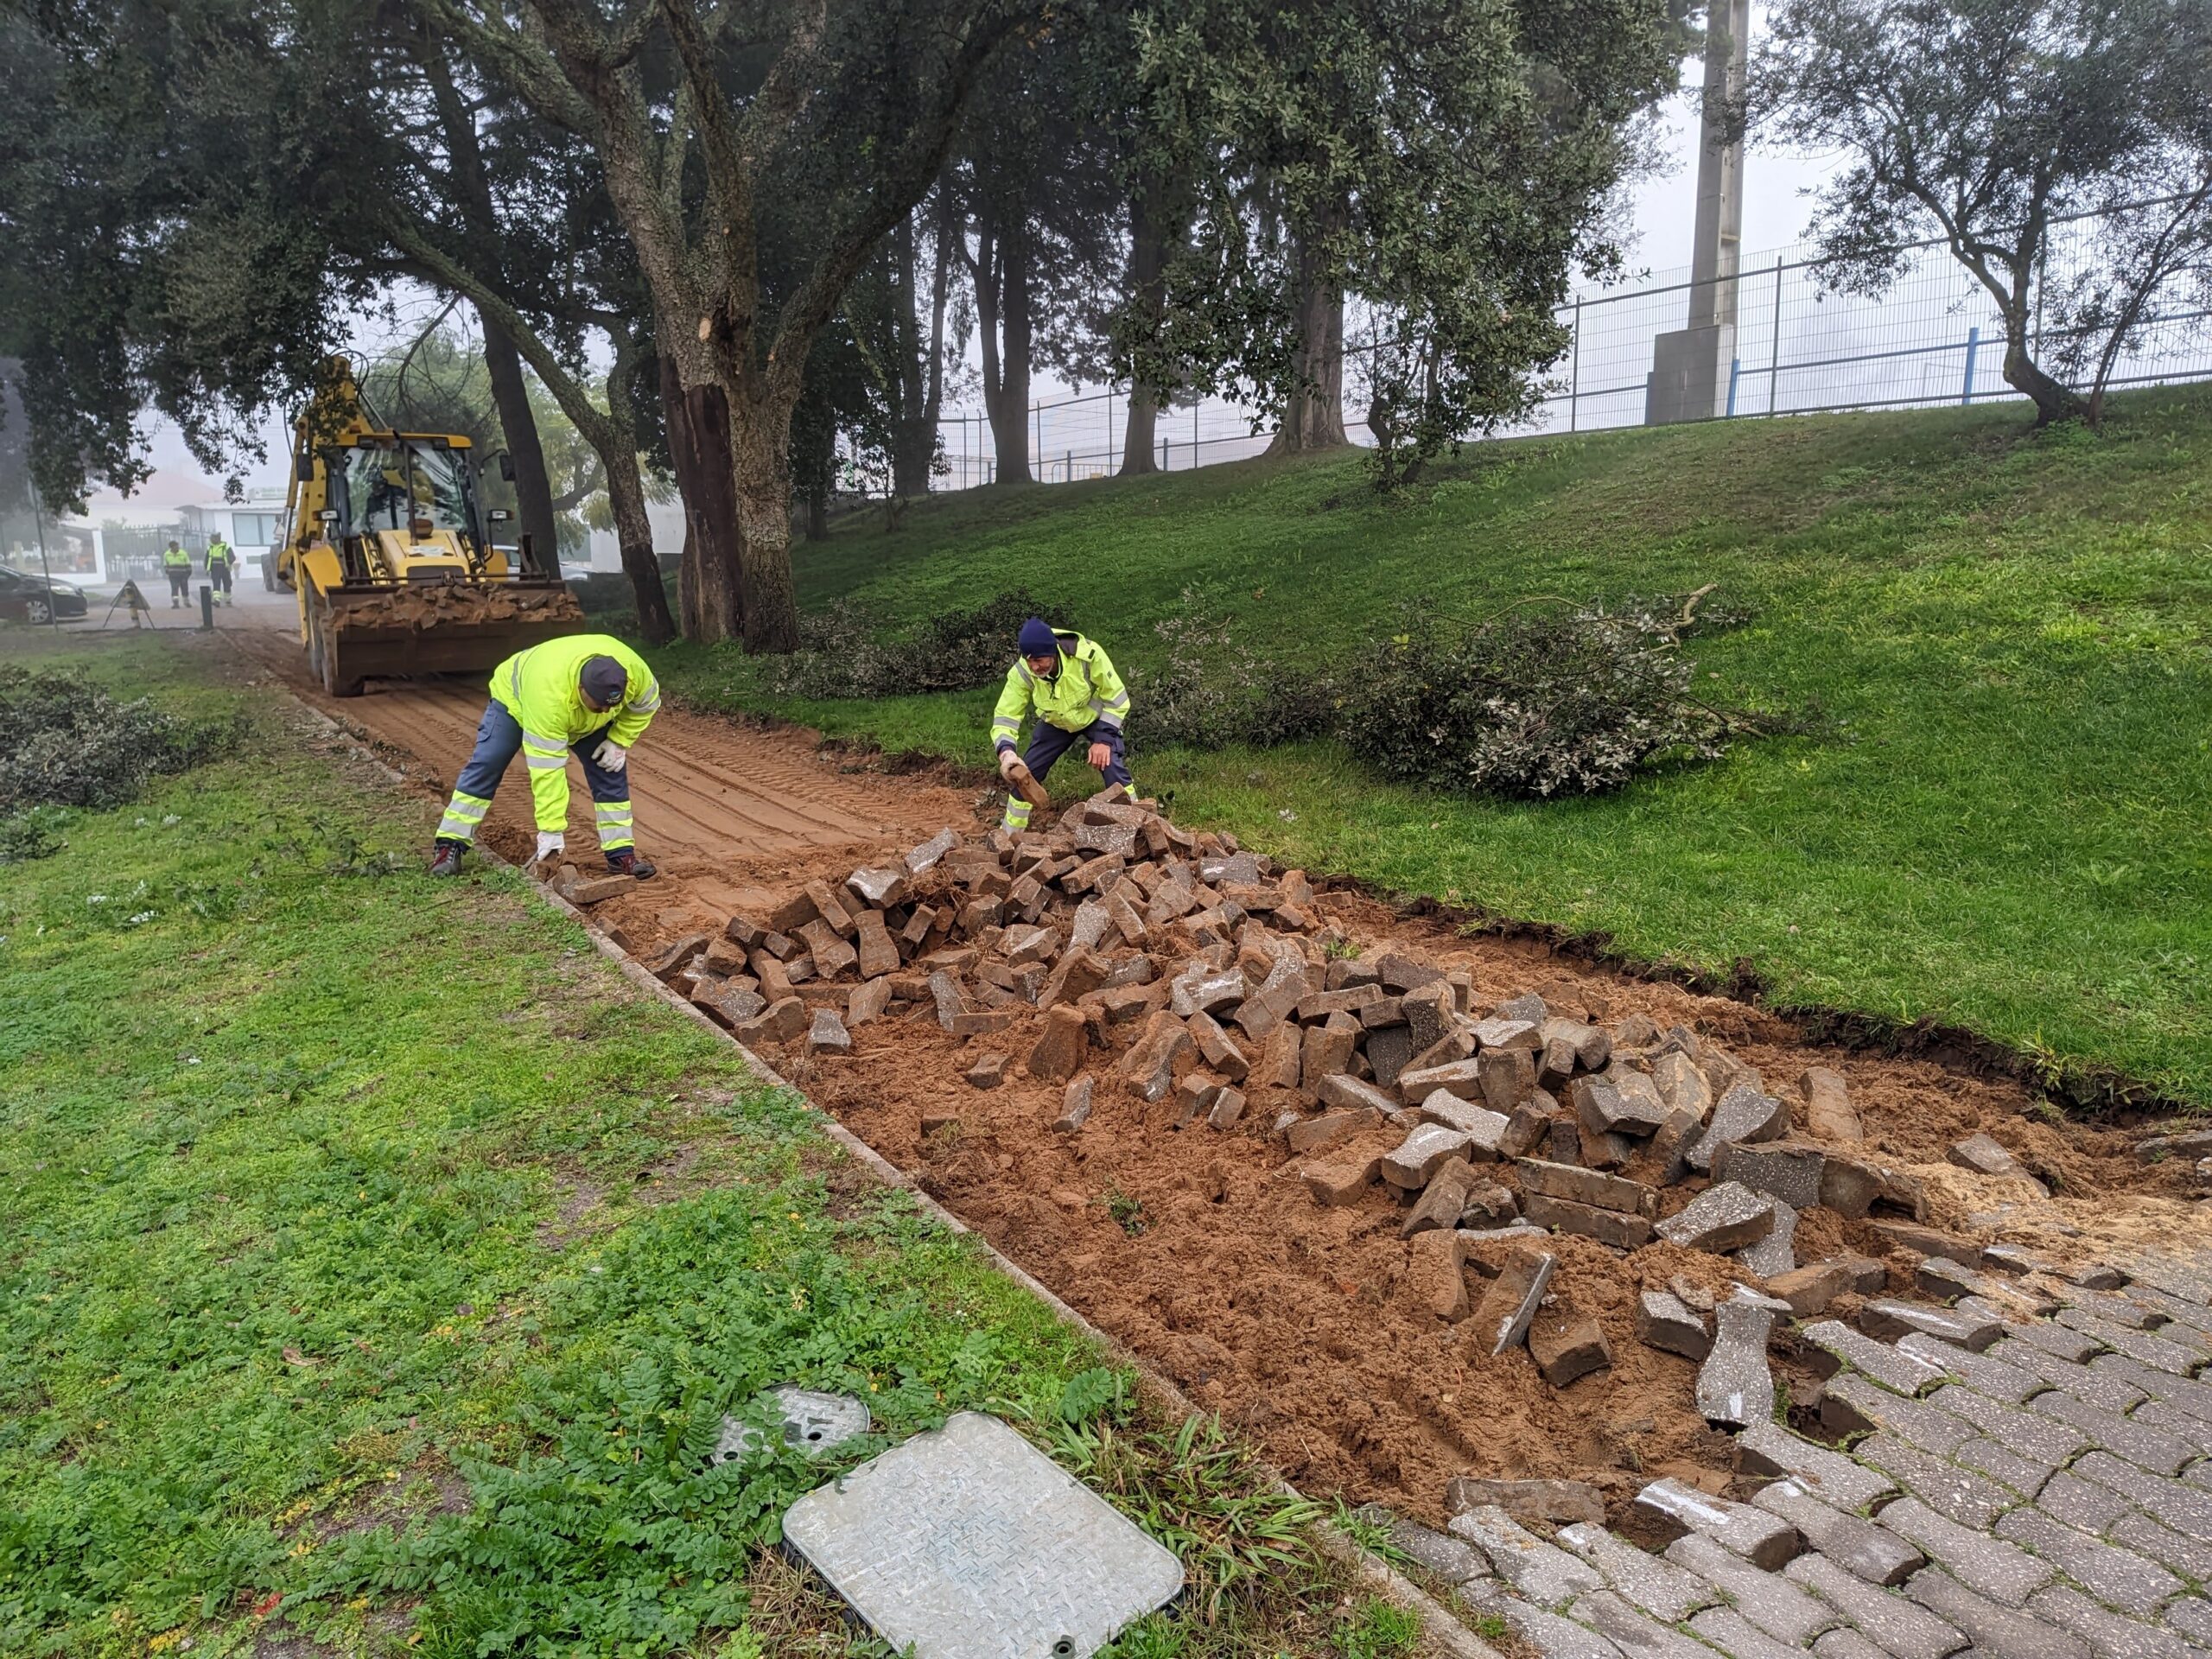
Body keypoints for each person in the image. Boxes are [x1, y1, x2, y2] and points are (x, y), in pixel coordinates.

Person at [429, 632, 662, 879]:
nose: (605, 711)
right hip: (515, 702)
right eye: (598, 705)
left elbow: (645, 707)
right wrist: (551, 832)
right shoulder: (548, 700)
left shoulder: (635, 675)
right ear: (581, 687)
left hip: (573, 711)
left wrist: (618, 740)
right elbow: (548, 771)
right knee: (488, 763)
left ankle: (621, 855)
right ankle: (449, 845)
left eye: (611, 706)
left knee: (610, 769)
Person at [990, 616, 1135, 833]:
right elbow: (1005, 716)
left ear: (1053, 651)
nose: (1034, 666)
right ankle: (1009, 836)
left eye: (1039, 660)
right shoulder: (1024, 671)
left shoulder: (1087, 655)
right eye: (1029, 660)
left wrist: (1104, 740)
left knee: (1111, 764)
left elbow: (1117, 699)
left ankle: (1138, 826)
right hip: (1056, 722)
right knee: (1025, 775)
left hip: (1095, 718)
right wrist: (1007, 753)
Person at [204, 533, 235, 606]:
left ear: (219, 538)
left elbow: (232, 557)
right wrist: (207, 569)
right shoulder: (210, 547)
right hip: (215, 569)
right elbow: (207, 559)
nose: (212, 540)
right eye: (212, 538)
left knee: (227, 583)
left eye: (214, 538)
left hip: (225, 568)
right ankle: (217, 600)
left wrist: (229, 563)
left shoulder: (226, 546)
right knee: (216, 584)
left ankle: (228, 600)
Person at [161, 539, 192, 608]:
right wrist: (168, 571)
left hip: (183, 574)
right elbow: (165, 564)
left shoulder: (183, 553)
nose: (177, 548)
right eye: (175, 546)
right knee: (174, 589)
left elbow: (188, 563)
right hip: (173, 575)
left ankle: (186, 602)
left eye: (177, 546)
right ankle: (175, 603)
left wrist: (188, 573)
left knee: (185, 588)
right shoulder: (167, 554)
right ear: (171, 547)